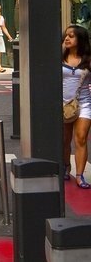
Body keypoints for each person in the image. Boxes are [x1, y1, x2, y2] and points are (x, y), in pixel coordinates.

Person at [62, 25, 91, 188]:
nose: (67, 39)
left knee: (80, 138)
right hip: (62, 104)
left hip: (84, 103)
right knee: (65, 139)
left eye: (71, 36)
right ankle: (66, 166)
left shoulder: (88, 60)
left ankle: (80, 176)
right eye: (66, 36)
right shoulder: (59, 57)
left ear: (80, 40)